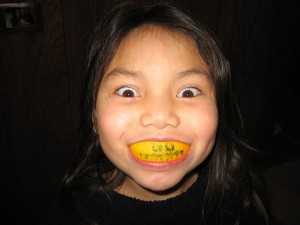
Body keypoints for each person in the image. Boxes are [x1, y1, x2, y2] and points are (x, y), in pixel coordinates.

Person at [50, 1, 270, 224]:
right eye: (127, 92)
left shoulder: (241, 194)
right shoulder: (72, 212)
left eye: (188, 92)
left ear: (219, 109)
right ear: (93, 116)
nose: (160, 117)